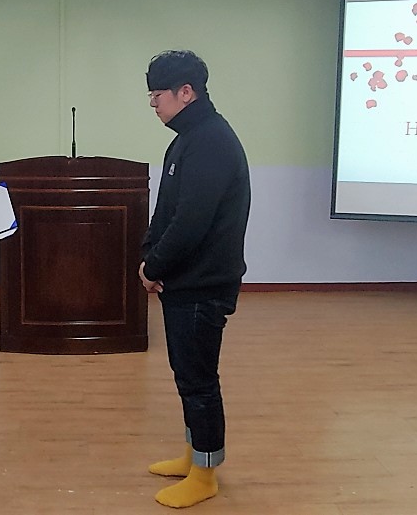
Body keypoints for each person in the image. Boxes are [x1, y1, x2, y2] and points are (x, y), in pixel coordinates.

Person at [138, 50, 251, 508]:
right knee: (187, 375)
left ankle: (205, 476)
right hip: (184, 281)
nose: (153, 104)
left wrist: (154, 267)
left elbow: (191, 222)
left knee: (199, 380)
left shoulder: (210, 141)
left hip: (202, 286)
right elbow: (167, 211)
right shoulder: (188, 137)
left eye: (157, 95)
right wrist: (149, 257)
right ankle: (194, 456)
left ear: (186, 92)